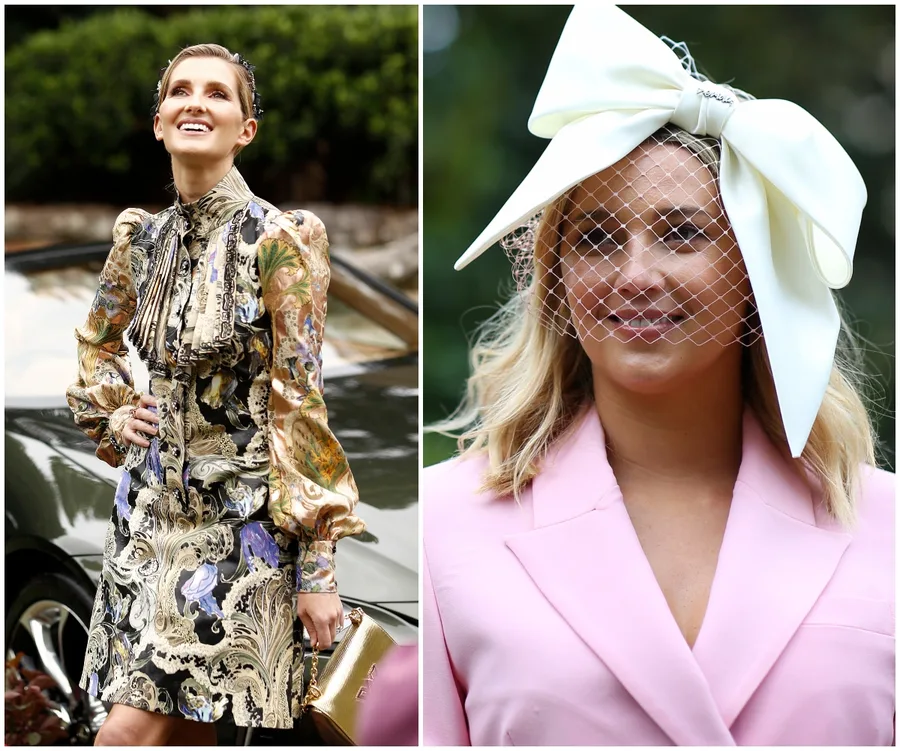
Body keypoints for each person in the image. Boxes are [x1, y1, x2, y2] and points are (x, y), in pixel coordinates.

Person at [424, 4, 893, 746]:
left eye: (681, 234)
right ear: (557, 277)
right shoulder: (443, 524)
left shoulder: (887, 526)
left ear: (756, 272)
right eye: (597, 238)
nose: (637, 275)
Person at [66, 44, 363, 745]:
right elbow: (96, 342)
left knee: (126, 735)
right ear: (160, 122)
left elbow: (299, 401)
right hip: (146, 524)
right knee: (183, 735)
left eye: (218, 93)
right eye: (181, 91)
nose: (196, 102)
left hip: (239, 531)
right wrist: (115, 407)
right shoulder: (140, 241)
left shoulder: (280, 239)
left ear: (245, 130)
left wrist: (317, 567)